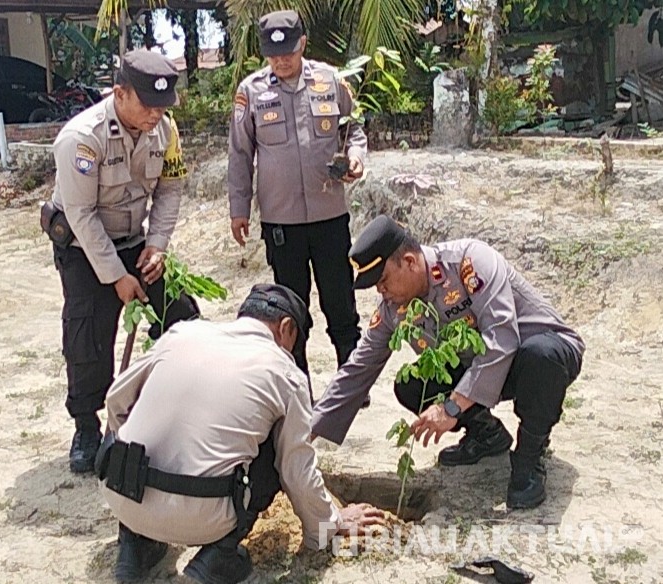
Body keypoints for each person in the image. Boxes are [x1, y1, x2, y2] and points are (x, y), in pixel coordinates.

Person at [97, 283, 386, 584]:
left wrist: (132, 460)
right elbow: (296, 470)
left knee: (141, 423)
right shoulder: (285, 373)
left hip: (123, 496)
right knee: (277, 446)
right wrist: (327, 527)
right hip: (206, 517)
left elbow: (116, 401)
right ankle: (216, 559)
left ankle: (134, 546)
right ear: (286, 328)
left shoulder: (181, 334)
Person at [312, 216, 585, 510]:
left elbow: (502, 339)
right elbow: (358, 369)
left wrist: (450, 408)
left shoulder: (469, 262)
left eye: (382, 281)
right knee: (411, 384)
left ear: (409, 262)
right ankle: (487, 435)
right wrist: (305, 434)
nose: (381, 292)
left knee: (540, 356)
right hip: (480, 371)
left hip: (537, 355)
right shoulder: (394, 308)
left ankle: (530, 456)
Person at [47, 49, 200, 474]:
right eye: (148, 105)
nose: (156, 114)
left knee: (182, 316)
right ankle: (86, 427)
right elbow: (80, 215)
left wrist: (158, 245)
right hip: (84, 246)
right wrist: (116, 277)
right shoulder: (81, 138)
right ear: (119, 93)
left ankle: (172, 409)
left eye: (163, 106)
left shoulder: (165, 131)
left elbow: (170, 190)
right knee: (88, 335)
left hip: (136, 240)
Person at [227, 9, 367, 390]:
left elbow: (354, 130)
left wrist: (356, 158)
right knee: (291, 303)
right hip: (281, 220)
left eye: (288, 51)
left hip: (329, 214)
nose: (282, 60)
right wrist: (239, 209)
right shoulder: (251, 91)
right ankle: (296, 381)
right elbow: (240, 154)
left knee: (340, 297)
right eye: (273, 55)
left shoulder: (330, 81)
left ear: (302, 44)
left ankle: (352, 380)